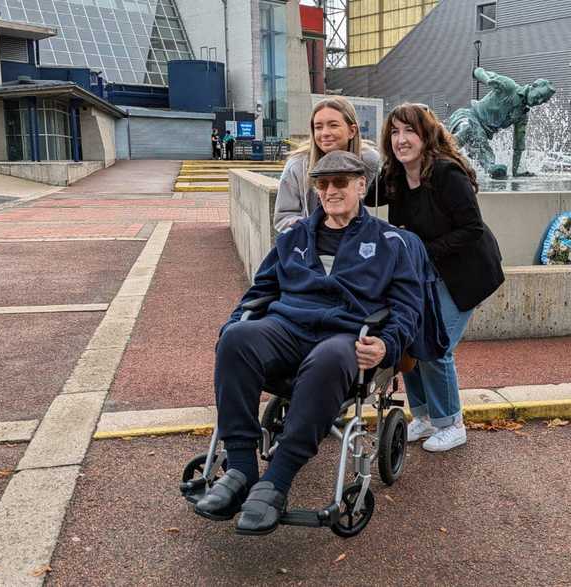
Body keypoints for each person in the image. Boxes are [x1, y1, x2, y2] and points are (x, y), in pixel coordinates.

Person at [195, 151, 426, 536]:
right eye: (323, 183)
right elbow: (261, 290)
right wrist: (234, 323)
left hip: (345, 335)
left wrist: (386, 345)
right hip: (288, 329)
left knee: (334, 356)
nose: (331, 190)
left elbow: (407, 308)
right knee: (236, 339)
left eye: (340, 182)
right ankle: (239, 470)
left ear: (360, 186)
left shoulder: (391, 242)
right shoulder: (294, 238)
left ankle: (276, 481)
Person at [372, 103, 504, 452]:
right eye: (395, 132)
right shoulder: (395, 175)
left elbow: (472, 228)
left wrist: (424, 251)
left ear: (426, 135)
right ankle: (425, 417)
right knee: (412, 343)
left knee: (436, 347)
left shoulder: (446, 173)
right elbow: (361, 193)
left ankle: (452, 423)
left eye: (409, 131)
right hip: (426, 275)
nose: (401, 139)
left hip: (465, 274)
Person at [273, 96, 381, 233]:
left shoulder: (369, 161)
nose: (324, 133)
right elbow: (282, 218)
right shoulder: (297, 165)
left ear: (352, 131)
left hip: (356, 243)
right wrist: (318, 230)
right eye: (318, 127)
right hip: (312, 246)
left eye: (333, 125)